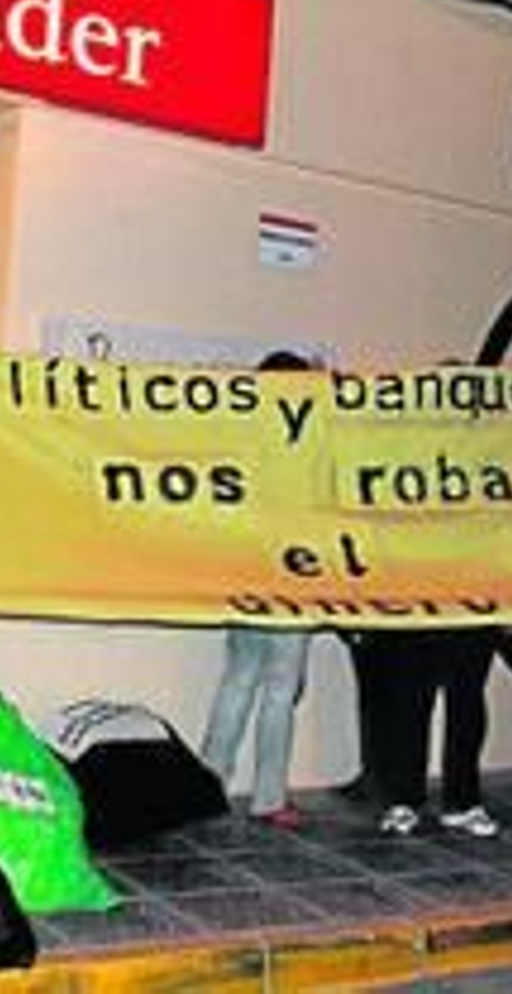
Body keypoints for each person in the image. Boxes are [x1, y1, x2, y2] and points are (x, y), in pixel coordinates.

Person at [200, 350, 316, 828]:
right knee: (279, 690)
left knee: (237, 680)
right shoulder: (307, 443)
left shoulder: (241, 439)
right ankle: (269, 798)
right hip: (291, 578)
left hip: (246, 575)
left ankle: (208, 786)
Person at [366, 627, 502, 838]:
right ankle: (403, 800)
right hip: (413, 610)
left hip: (475, 613)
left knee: (467, 701)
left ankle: (464, 802)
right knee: (408, 701)